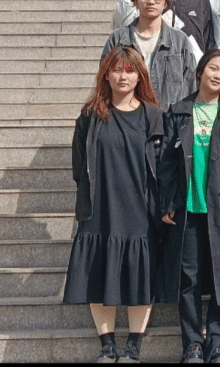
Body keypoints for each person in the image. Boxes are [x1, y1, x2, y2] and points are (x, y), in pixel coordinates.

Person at [63, 46, 163, 363]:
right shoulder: (91, 115)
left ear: (140, 76)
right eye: (117, 70)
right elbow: (79, 164)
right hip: (100, 206)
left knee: (140, 276)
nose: (123, 76)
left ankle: (134, 345)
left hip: (139, 206)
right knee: (98, 272)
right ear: (106, 74)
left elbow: (162, 164)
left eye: (130, 71)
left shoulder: (152, 115)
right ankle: (107, 344)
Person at [157, 49, 220, 364]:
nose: (218, 75)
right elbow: (167, 163)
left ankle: (219, 344)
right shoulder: (179, 111)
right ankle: (193, 345)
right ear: (200, 71)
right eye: (213, 68)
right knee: (190, 279)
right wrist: (168, 202)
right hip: (188, 209)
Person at [103, 0, 196, 111]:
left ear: (166, 2)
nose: (151, 1)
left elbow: (190, 87)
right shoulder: (117, 39)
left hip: (169, 119)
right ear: (135, 0)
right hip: (127, 118)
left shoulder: (180, 41)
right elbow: (104, 83)